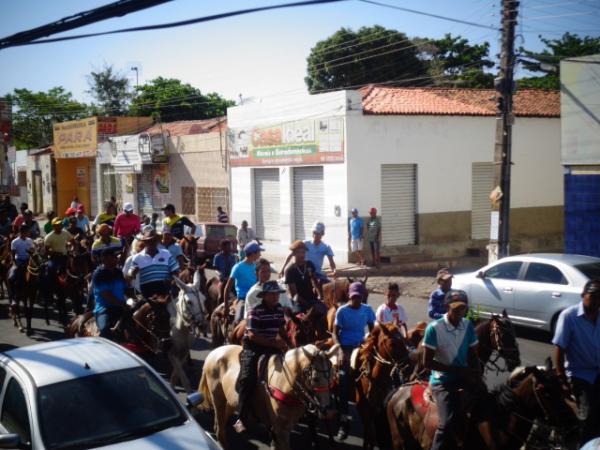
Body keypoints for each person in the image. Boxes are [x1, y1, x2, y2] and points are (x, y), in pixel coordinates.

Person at [423, 290, 494, 450]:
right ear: (447, 306)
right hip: (443, 381)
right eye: (456, 308)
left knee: (488, 404)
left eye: (463, 308)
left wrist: (476, 371)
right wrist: (455, 370)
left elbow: (472, 352)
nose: (460, 312)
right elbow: (427, 363)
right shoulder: (434, 328)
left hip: (464, 376)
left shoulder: (467, 325)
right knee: (446, 423)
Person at [234, 280, 287, 433]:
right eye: (273, 294)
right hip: (253, 347)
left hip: (272, 345)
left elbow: (282, 329)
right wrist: (272, 343)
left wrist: (289, 345)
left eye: (277, 294)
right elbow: (251, 335)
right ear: (265, 296)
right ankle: (241, 418)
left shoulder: (278, 309)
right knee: (247, 378)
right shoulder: (254, 311)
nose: (276, 297)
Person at [553, 279, 600, 444]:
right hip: (580, 374)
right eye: (592, 296)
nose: (596, 300)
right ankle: (584, 444)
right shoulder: (569, 316)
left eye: (599, 297)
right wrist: (561, 379)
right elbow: (560, 349)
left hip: (598, 372)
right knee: (587, 415)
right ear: (583, 295)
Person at [333, 281, 375, 440]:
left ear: (363, 297)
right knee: (344, 380)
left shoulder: (368, 310)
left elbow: (372, 330)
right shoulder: (342, 311)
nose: (356, 300)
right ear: (349, 296)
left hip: (362, 346)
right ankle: (343, 421)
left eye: (359, 297)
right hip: (346, 348)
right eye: (353, 297)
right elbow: (335, 333)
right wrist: (340, 349)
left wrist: (370, 343)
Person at [127, 229, 179, 298]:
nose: (152, 243)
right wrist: (133, 273)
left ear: (157, 241)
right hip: (148, 294)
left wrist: (172, 282)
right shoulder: (137, 258)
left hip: (166, 293)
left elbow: (175, 271)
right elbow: (129, 274)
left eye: (154, 240)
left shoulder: (166, 253)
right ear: (145, 242)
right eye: (149, 241)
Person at [91, 248, 128, 340]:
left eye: (116, 257)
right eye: (114, 257)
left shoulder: (118, 272)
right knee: (105, 331)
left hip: (121, 307)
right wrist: (122, 304)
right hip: (105, 309)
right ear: (104, 259)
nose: (117, 258)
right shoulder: (99, 274)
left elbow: (126, 289)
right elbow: (106, 295)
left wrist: (135, 299)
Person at [223, 242, 263, 324]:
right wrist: (226, 307)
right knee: (238, 321)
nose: (260, 255)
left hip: (257, 297)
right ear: (253, 254)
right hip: (243, 299)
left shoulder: (256, 266)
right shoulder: (237, 267)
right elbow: (227, 288)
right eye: (259, 252)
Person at [284, 240, 324, 314]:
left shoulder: (309, 264)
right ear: (293, 253)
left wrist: (320, 296)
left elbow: (315, 281)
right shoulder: (290, 270)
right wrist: (308, 305)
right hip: (298, 301)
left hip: (311, 298)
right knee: (300, 320)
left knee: (326, 313)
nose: (302, 255)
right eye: (299, 252)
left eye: (303, 252)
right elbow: (294, 294)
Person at [43, 218, 73, 302]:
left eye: (60, 224)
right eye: (57, 225)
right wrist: (54, 253)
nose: (59, 226)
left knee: (75, 269)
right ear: (53, 226)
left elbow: (72, 240)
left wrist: (71, 245)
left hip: (65, 256)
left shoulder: (65, 232)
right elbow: (47, 251)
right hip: (55, 258)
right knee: (50, 269)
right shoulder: (49, 237)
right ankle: (50, 292)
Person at [8, 225, 34, 306]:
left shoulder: (29, 240)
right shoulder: (15, 242)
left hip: (28, 260)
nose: (26, 233)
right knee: (12, 278)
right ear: (21, 232)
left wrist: (32, 251)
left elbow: (32, 251)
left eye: (27, 232)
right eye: (25, 232)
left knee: (38, 274)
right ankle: (14, 298)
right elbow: (13, 255)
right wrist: (15, 264)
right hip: (19, 260)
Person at [213, 240, 238, 304]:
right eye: (228, 247)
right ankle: (218, 309)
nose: (230, 248)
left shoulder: (233, 257)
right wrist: (219, 274)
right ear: (222, 247)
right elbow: (215, 269)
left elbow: (235, 269)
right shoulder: (217, 257)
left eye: (230, 246)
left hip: (232, 279)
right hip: (223, 279)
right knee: (221, 296)